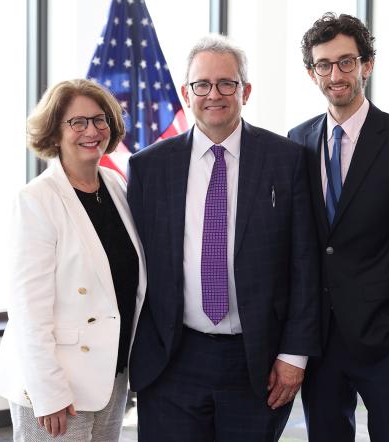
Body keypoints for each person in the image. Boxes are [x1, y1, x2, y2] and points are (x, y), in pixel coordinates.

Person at [127, 34, 320, 442]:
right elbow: (134, 267)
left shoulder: (286, 160)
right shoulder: (148, 168)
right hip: (172, 360)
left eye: (226, 83)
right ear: (186, 93)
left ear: (245, 91)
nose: (214, 94)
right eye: (202, 84)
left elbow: (305, 263)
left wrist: (293, 355)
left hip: (256, 362)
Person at [288, 12, 389, 442]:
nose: (336, 74)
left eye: (346, 62)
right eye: (324, 64)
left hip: (385, 338)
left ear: (366, 65)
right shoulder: (297, 141)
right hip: (320, 338)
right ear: (311, 72)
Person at [0, 79, 147, 441]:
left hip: (110, 376)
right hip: (57, 387)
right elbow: (29, 309)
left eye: (99, 120)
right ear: (54, 132)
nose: (91, 131)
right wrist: (49, 393)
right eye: (77, 122)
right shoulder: (36, 200)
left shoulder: (116, 185)